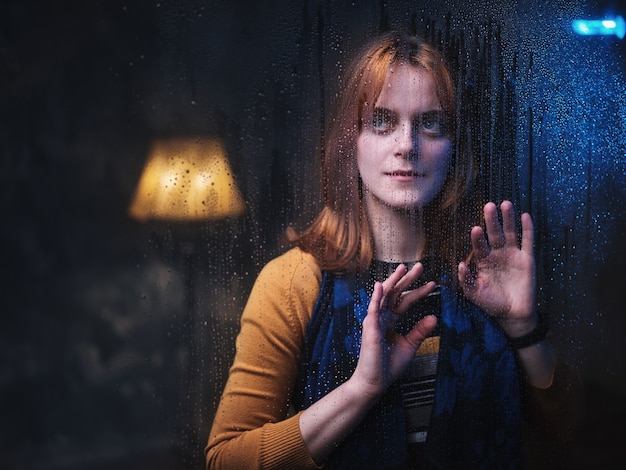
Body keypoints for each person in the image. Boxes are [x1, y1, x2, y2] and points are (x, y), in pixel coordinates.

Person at [205, 33, 579, 469]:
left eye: (431, 123)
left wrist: (523, 325)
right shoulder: (295, 281)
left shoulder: (487, 270)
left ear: (455, 146)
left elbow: (570, 431)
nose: (407, 145)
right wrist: (361, 388)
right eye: (382, 120)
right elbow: (226, 460)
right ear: (353, 140)